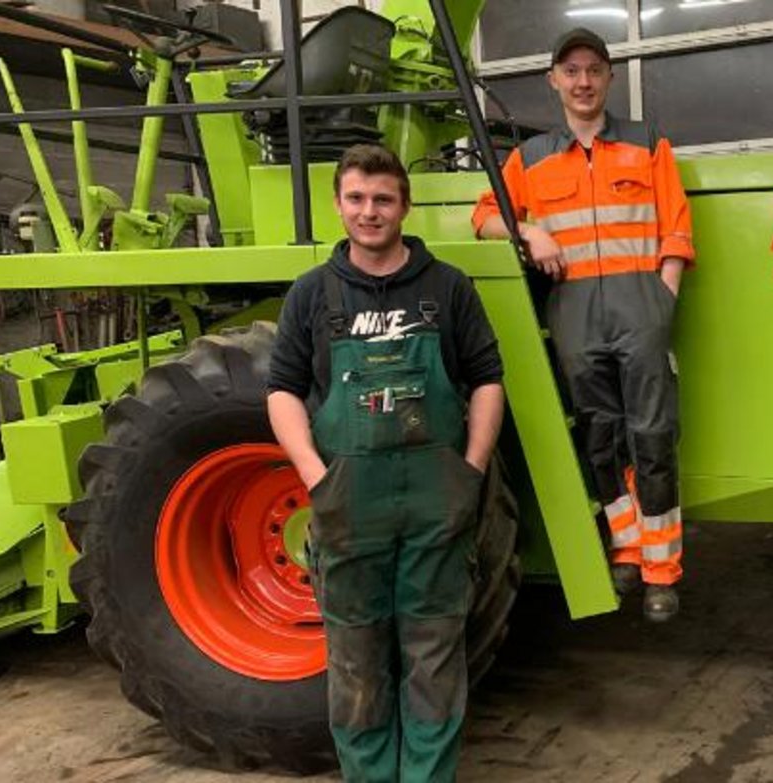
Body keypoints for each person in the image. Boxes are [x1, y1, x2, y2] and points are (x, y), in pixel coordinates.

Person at [267, 143, 505, 781]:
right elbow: (283, 390)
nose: (369, 212)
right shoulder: (312, 295)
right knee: (356, 661)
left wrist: (471, 472)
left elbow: (487, 378)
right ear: (339, 204)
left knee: (433, 658)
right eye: (356, 198)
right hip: (351, 507)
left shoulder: (448, 288)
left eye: (383, 199)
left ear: (404, 205)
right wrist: (319, 479)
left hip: (436, 504)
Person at [472, 27, 693, 622]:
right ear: (554, 81)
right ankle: (626, 548)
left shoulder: (648, 144)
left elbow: (675, 227)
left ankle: (662, 569)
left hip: (639, 307)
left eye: (593, 69)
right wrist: (528, 230)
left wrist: (660, 300)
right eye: (571, 70)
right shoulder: (531, 158)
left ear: (609, 77)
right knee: (601, 433)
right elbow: (484, 216)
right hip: (573, 309)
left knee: (651, 436)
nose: (583, 81)